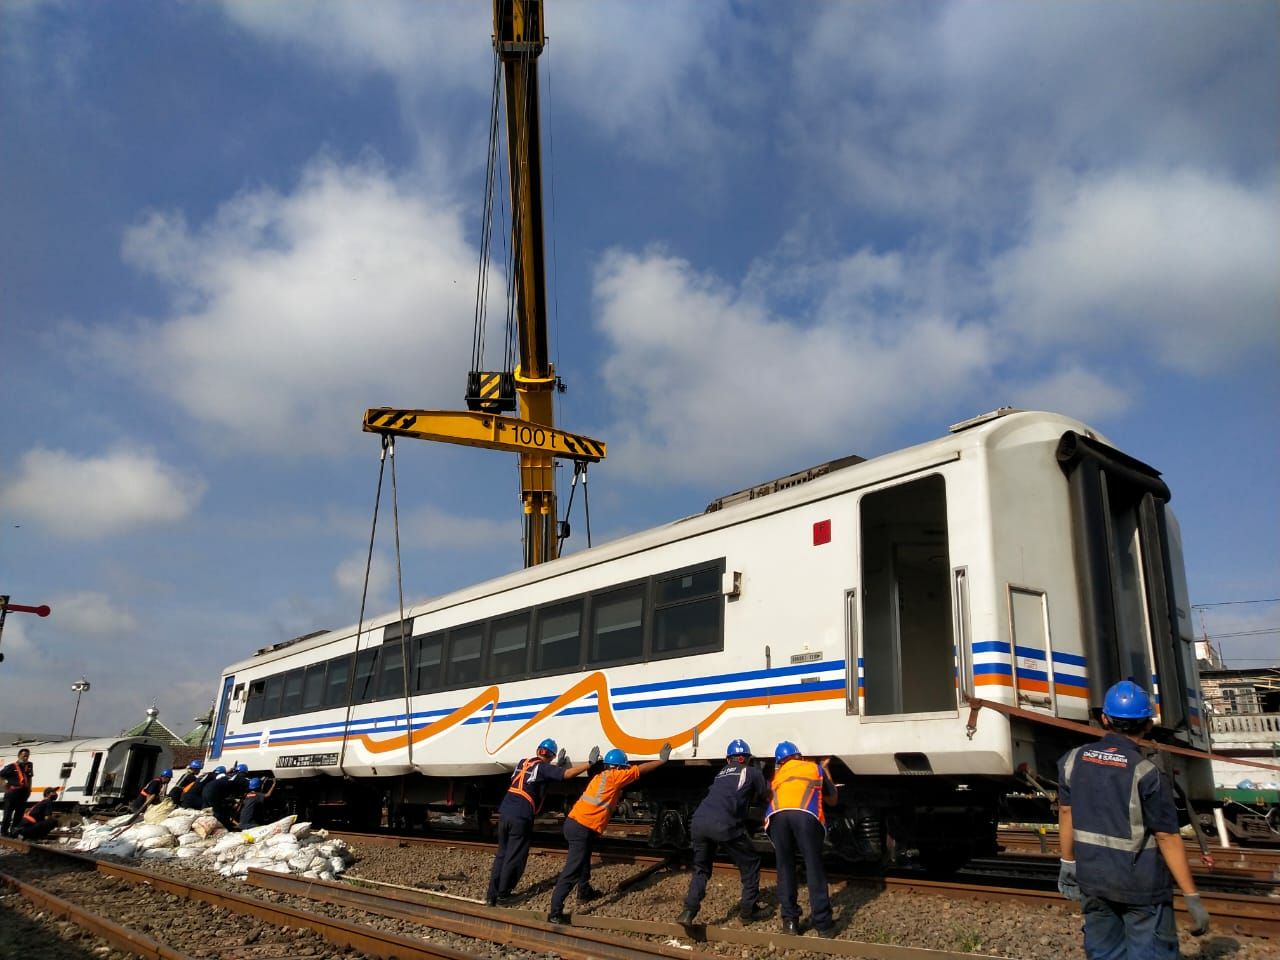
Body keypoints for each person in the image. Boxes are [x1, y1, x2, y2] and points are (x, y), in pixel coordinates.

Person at [1057, 680, 1211, 959]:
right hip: (1142, 888)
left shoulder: (1071, 760)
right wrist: (1191, 896)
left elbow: (1066, 813)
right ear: (1148, 724)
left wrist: (1068, 864)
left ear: (1104, 719)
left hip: (1093, 881)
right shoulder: (1148, 772)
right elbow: (1167, 837)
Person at [547, 743, 671, 924]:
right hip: (581, 828)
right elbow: (639, 770)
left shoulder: (601, 776)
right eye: (624, 768)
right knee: (572, 870)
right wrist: (660, 761)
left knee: (583, 861)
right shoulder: (615, 777)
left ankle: (584, 891)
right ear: (620, 767)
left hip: (579, 825)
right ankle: (555, 912)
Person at [486, 738, 593, 906]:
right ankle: (503, 895)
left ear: (538, 751)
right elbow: (567, 775)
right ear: (551, 756)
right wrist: (589, 764)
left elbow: (537, 777)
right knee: (515, 856)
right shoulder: (543, 768)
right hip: (520, 816)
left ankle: (491, 895)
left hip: (505, 812)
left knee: (502, 854)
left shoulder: (523, 763)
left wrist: (555, 766)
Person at [678, 738, 770, 926]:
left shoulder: (721, 773)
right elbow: (766, 795)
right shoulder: (751, 772)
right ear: (748, 758)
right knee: (751, 862)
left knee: (701, 868)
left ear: (729, 760)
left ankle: (688, 912)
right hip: (724, 824)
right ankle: (747, 911)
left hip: (699, 821)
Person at [765, 740, 837, 937]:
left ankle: (790, 922)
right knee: (813, 866)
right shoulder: (814, 768)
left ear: (779, 761)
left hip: (777, 818)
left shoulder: (777, 775)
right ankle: (823, 925)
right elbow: (833, 798)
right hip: (805, 816)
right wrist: (825, 768)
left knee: (785, 867)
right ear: (799, 756)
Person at [2, 747, 34, 837]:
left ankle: (14, 833)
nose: (26, 758)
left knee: (19, 815)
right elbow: (1, 776)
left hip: (23, 794)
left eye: (27, 756)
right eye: (24, 756)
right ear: (19, 756)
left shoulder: (29, 765)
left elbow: (30, 778)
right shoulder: (11, 767)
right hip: (12, 794)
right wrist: (5, 787)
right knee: (7, 815)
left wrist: (29, 789)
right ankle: (4, 833)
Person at [201, 765, 237, 829]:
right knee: (218, 811)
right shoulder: (228, 780)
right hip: (212, 793)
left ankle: (205, 826)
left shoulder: (214, 778)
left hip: (204, 791)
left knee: (207, 810)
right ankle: (223, 827)